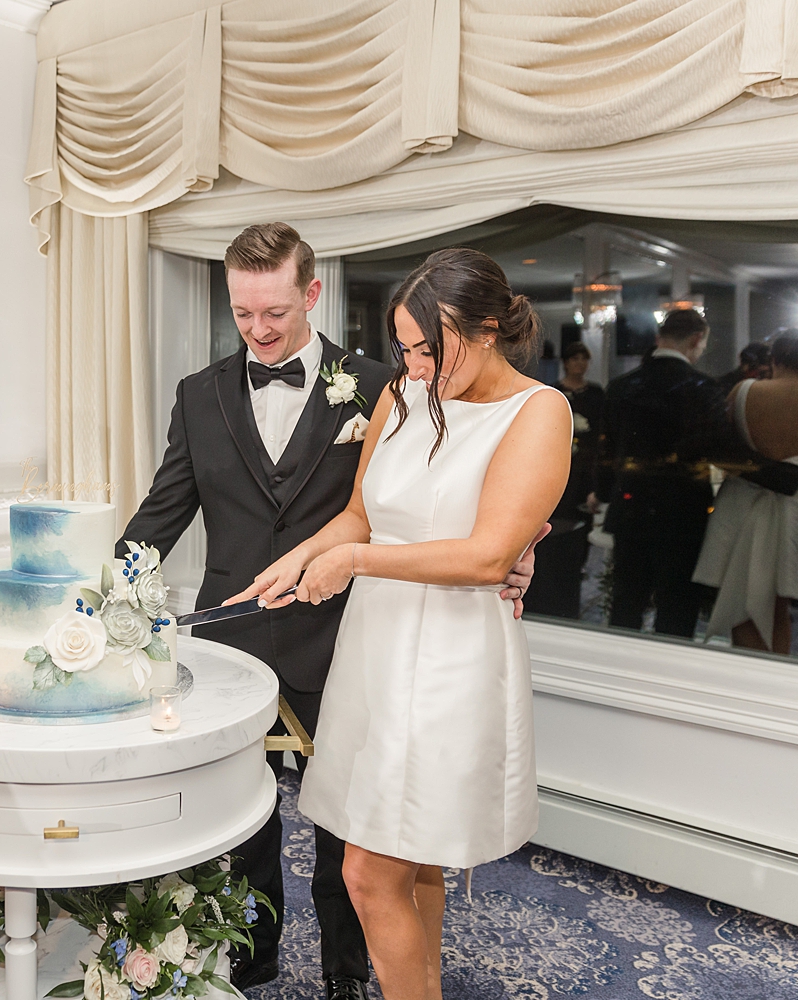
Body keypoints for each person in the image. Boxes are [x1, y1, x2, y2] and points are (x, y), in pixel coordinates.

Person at [231, 247, 572, 1000]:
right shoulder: (402, 394)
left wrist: (354, 564)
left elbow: (488, 557)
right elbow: (359, 514)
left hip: (451, 656)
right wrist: (297, 560)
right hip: (376, 647)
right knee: (411, 860)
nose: (415, 366)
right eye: (405, 349)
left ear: (488, 330)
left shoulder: (539, 412)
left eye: (430, 348)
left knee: (366, 871)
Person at [118, 223, 387, 999]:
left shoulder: (375, 385)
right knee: (243, 815)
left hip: (339, 638)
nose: (260, 331)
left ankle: (344, 970)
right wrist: (108, 597)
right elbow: (162, 513)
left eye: (275, 311)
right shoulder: (199, 395)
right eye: (243, 314)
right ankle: (254, 951)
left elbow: (401, 509)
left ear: (312, 292)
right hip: (231, 646)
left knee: (341, 822)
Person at [603, 309, 798, 638]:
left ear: (660, 338)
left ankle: (619, 675)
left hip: (630, 507)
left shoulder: (621, 386)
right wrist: (789, 477)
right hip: (680, 514)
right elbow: (724, 451)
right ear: (697, 340)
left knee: (626, 602)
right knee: (677, 605)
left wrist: (603, 490)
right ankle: (670, 678)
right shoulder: (699, 386)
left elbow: (609, 450)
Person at [693, 331, 798, 654]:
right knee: (779, 602)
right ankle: (777, 669)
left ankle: (749, 674)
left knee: (743, 593)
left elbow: (729, 454)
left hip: (743, 504)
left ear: (774, 358)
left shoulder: (745, 392)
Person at [526, 341, 606, 618]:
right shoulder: (553, 393)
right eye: (575, 359)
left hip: (586, 465)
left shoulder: (596, 394)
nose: (580, 364)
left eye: (584, 359)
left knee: (581, 520)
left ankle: (576, 568)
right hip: (559, 462)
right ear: (566, 362)